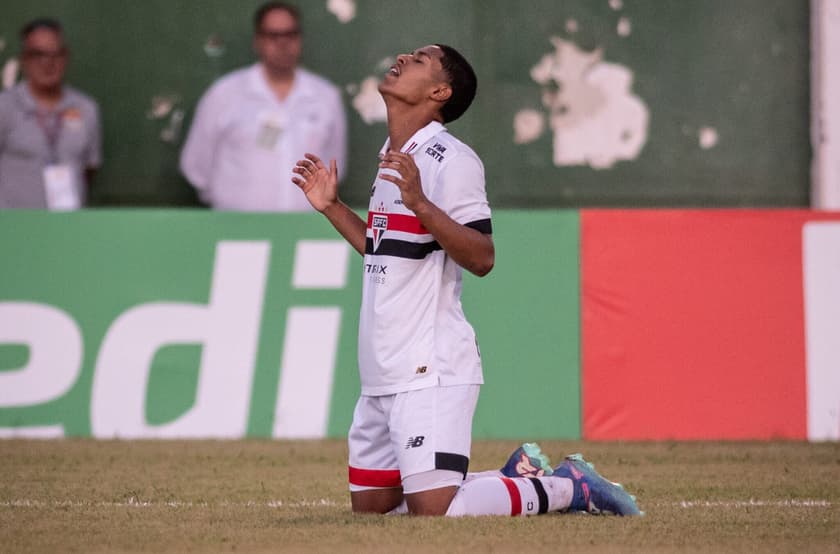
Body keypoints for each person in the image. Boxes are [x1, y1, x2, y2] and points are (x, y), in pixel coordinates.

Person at [292, 44, 640, 517]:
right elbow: (386, 250)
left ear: (440, 91)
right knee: (375, 513)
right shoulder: (393, 155)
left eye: (418, 59)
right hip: (381, 370)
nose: (402, 57)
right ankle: (513, 478)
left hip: (430, 367)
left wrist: (421, 203)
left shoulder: (450, 160)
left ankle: (568, 487)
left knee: (435, 511)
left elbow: (481, 257)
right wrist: (332, 207)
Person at [180, 1, 347, 212]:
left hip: (305, 231)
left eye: (290, 35)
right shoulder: (224, 94)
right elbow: (196, 167)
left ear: (300, 39)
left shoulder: (326, 97)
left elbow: (336, 165)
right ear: (257, 41)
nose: (282, 44)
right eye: (273, 36)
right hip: (235, 231)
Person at [0, 18, 102, 210]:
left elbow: (89, 169)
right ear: (24, 60)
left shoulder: (86, 108)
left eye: (56, 54)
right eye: (38, 55)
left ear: (66, 57)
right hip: (12, 228)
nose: (48, 63)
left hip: (69, 228)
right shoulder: (5, 106)